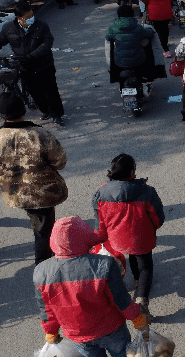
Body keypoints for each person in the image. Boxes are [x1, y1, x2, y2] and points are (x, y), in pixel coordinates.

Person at [34, 216, 148, 357]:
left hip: (79, 336)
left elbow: (46, 309)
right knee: (122, 353)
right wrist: (136, 317)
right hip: (111, 329)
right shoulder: (105, 264)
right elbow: (120, 300)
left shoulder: (41, 272)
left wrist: (50, 331)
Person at [92, 154, 164, 315]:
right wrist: (155, 227)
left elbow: (100, 222)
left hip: (117, 238)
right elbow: (158, 218)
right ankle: (141, 299)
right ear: (132, 171)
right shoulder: (147, 192)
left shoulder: (101, 192)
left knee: (131, 253)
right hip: (142, 238)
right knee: (145, 267)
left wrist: (101, 236)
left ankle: (135, 280)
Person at [0, 93, 67, 264]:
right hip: (42, 195)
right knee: (43, 233)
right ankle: (44, 268)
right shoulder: (40, 134)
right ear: (23, 112)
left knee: (39, 226)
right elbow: (60, 161)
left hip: (14, 194)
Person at [0, 2, 65, 125]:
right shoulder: (8, 28)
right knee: (35, 91)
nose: (31, 19)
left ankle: (57, 114)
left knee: (51, 91)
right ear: (19, 18)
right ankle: (44, 110)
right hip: (25, 68)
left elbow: (47, 44)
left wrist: (30, 56)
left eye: (32, 15)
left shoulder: (41, 26)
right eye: (28, 17)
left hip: (44, 65)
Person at [105, 5, 164, 88]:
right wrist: (150, 29)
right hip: (138, 60)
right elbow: (148, 34)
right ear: (132, 14)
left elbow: (108, 38)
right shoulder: (138, 28)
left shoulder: (113, 29)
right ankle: (147, 78)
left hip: (119, 62)